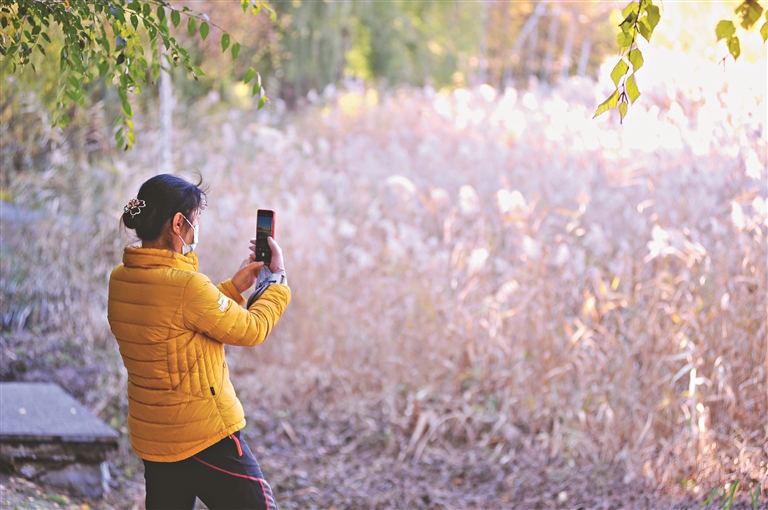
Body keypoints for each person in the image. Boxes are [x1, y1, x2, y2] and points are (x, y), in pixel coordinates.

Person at [107, 174, 290, 509]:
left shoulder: (121, 279)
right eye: (197, 218)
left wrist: (234, 288)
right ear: (179, 223)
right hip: (205, 436)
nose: (197, 227)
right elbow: (252, 328)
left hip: (156, 439)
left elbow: (176, 324)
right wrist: (276, 281)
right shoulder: (187, 286)